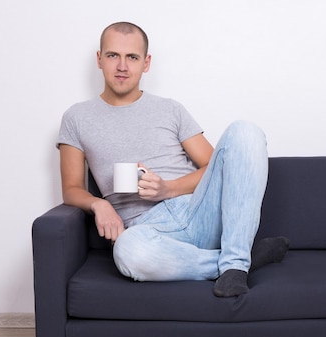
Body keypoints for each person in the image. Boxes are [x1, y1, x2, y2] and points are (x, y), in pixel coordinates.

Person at [57, 22, 289, 297]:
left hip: (198, 210)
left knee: (245, 130)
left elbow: (215, 167)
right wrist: (99, 204)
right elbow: (71, 189)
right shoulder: (76, 118)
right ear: (99, 59)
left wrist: (168, 188)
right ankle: (234, 263)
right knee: (127, 252)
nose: (122, 66)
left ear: (146, 63)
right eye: (112, 56)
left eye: (132, 57)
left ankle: (235, 262)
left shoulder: (170, 109)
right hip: (149, 231)